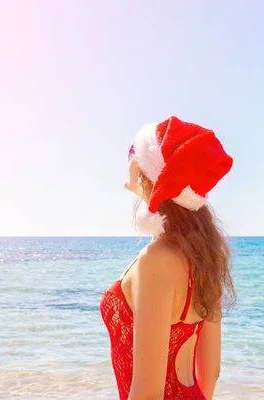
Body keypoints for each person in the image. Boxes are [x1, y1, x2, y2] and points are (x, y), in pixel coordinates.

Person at [100, 116, 236, 400]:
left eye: (134, 153)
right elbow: (211, 371)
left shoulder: (156, 260)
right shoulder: (203, 254)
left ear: (147, 172)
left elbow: (147, 393)